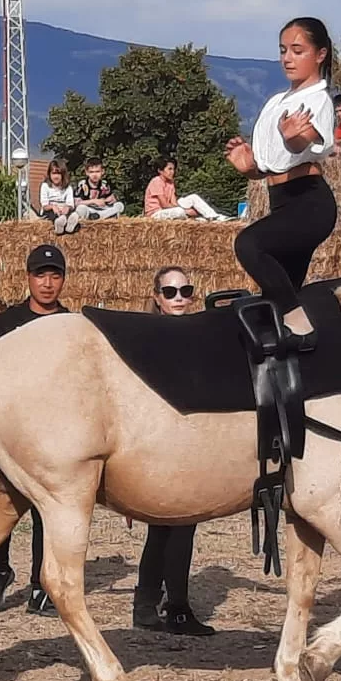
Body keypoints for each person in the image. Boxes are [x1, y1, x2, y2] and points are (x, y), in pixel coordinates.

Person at [224, 16, 341, 348]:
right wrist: (250, 168)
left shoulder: (320, 100)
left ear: (320, 54)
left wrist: (294, 139)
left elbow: (308, 144)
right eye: (283, 50)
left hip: (309, 202)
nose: (287, 57)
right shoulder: (276, 103)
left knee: (248, 245)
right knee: (285, 292)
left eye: (297, 50)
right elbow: (271, 165)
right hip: (282, 198)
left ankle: (302, 330)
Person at [0, 243, 71, 617]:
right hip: (10, 430)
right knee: (0, 500)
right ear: (28, 278)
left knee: (44, 510)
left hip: (52, 434)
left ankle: (41, 585)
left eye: (54, 276)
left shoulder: (71, 325)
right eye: (40, 275)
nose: (48, 284)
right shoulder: (6, 323)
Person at [131, 266, 215, 636]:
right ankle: (176, 607)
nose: (179, 297)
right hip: (159, 444)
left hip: (190, 442)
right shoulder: (147, 340)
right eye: (170, 292)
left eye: (185, 290)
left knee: (167, 529)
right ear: (157, 297)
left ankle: (146, 605)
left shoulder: (200, 335)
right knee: (177, 525)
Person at [144, 160, 228, 221]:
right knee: (180, 211)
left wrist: (188, 208)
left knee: (193, 197)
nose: (172, 172)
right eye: (169, 169)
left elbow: (173, 202)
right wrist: (186, 211)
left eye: (173, 169)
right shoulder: (156, 181)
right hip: (155, 214)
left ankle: (214, 216)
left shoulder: (170, 183)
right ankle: (198, 218)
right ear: (160, 171)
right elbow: (164, 205)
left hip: (168, 209)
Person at [37, 160, 80, 235]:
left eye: (58, 174)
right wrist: (53, 207)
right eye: (53, 173)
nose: (56, 176)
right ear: (49, 174)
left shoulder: (68, 188)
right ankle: (58, 224)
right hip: (50, 211)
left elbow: (71, 204)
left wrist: (67, 207)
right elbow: (44, 206)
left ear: (63, 175)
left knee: (72, 213)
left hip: (63, 211)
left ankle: (69, 226)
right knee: (52, 214)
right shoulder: (45, 186)